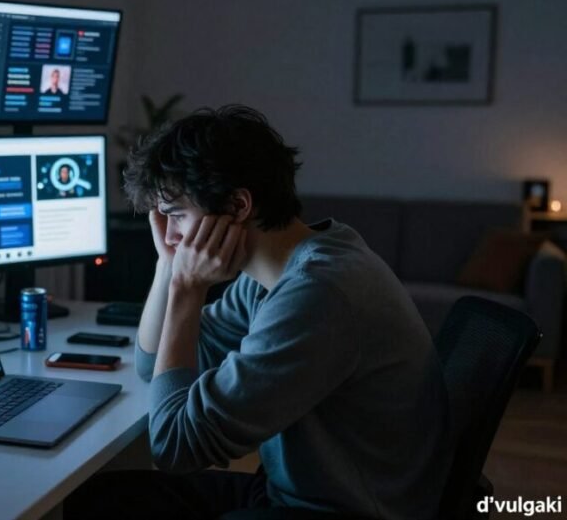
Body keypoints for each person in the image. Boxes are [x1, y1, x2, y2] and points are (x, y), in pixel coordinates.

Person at [64, 105, 452, 520]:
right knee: (101, 498)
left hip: (339, 510)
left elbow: (175, 446)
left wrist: (186, 288)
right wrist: (167, 266)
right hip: (296, 493)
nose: (172, 234)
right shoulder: (280, 270)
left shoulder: (319, 292)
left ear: (238, 205)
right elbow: (152, 364)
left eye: (177, 215)